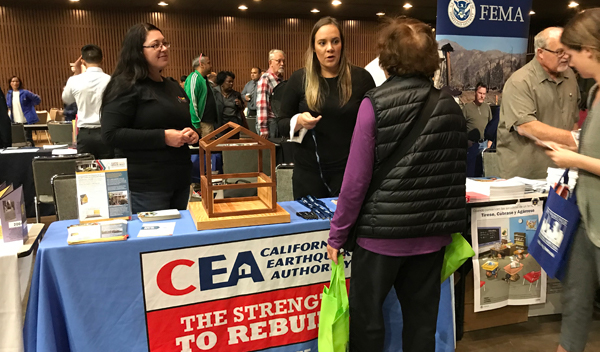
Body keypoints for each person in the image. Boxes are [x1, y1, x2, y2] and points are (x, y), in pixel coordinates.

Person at [326, 17, 467, 352]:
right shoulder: (451, 107)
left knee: (368, 323)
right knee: (421, 326)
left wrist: (338, 234)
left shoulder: (373, 104)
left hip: (380, 238)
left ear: (387, 58)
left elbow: (356, 180)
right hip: (432, 237)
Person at [540, 9, 600, 352]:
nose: (570, 61)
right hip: (584, 220)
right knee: (575, 303)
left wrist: (573, 159)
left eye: (573, 53)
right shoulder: (593, 94)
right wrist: (569, 143)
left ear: (590, 50)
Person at [101, 23, 199, 213]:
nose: (163, 49)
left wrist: (191, 133)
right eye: (155, 45)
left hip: (179, 180)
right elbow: (111, 134)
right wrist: (163, 137)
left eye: (165, 43)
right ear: (138, 51)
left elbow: (182, 124)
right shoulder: (125, 86)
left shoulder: (172, 86)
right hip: (145, 187)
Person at [277, 17, 375, 198]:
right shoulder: (300, 79)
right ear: (314, 48)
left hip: (350, 174)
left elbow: (374, 126)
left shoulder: (362, 79)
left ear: (342, 45)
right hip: (308, 175)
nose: (329, 48)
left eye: (335, 41)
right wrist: (298, 121)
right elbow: (280, 124)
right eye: (322, 43)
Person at [496, 27, 580, 179]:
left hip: (562, 174)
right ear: (540, 53)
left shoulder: (570, 77)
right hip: (526, 177)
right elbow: (526, 127)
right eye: (559, 52)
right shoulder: (520, 81)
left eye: (568, 50)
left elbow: (573, 119)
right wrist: (574, 139)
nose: (566, 56)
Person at [62, 44, 113, 158]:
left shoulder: (74, 80)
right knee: (108, 172)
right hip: (106, 132)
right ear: (103, 60)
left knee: (85, 172)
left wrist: (76, 72)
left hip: (85, 134)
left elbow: (67, 99)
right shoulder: (111, 81)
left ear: (83, 62)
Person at [184, 54, 220, 138]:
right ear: (202, 65)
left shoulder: (204, 79)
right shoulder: (194, 78)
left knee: (210, 150)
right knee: (206, 150)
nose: (211, 66)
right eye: (209, 63)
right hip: (202, 123)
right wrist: (196, 124)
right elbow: (191, 102)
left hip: (209, 122)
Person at [256, 49, 286, 138]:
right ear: (270, 62)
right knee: (271, 151)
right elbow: (262, 104)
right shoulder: (266, 79)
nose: (282, 64)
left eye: (283, 61)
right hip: (270, 123)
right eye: (278, 61)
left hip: (278, 122)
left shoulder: (280, 80)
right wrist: (263, 128)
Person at [6, 76, 40, 146]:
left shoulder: (25, 92)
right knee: (19, 139)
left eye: (17, 81)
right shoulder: (9, 94)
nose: (15, 83)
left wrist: (31, 105)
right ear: (10, 83)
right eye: (13, 81)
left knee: (28, 139)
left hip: (26, 120)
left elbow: (37, 100)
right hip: (15, 120)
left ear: (19, 83)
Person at [463, 82, 493, 148]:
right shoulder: (467, 108)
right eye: (480, 93)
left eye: (484, 94)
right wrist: (467, 141)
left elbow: (491, 126)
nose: (482, 96)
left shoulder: (487, 107)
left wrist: (491, 140)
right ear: (475, 92)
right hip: (472, 144)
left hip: (485, 144)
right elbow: (461, 128)